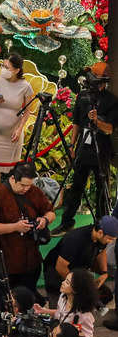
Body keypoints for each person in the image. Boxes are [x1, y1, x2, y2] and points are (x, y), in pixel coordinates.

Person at [51, 70, 117, 236]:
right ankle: (67, 223)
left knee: (102, 188)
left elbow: (109, 129)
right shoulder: (83, 96)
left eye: (100, 81)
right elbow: (76, 123)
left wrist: (96, 121)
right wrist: (72, 145)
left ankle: (101, 226)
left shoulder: (111, 100)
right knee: (76, 187)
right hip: (83, 148)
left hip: (101, 150)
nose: (97, 84)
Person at [0, 162, 55, 295]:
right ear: (12, 178)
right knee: (6, 299)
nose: (26, 189)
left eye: (29, 185)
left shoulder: (34, 191)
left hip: (31, 260)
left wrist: (44, 220)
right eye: (22, 185)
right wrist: (15, 227)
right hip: (5, 262)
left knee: (29, 296)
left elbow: (50, 213)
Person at [0, 54, 34, 187]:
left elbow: (28, 111)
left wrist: (19, 130)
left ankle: (12, 196)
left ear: (17, 70)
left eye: (7, 67)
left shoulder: (25, 86)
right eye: (3, 65)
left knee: (14, 168)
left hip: (14, 133)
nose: (3, 69)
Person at [44, 215, 118, 299]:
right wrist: (77, 286)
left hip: (77, 270)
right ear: (100, 232)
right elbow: (60, 267)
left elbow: (102, 252)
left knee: (105, 296)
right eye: (110, 239)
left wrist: (104, 273)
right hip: (57, 272)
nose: (111, 241)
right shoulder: (75, 239)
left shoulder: (101, 238)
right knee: (62, 306)